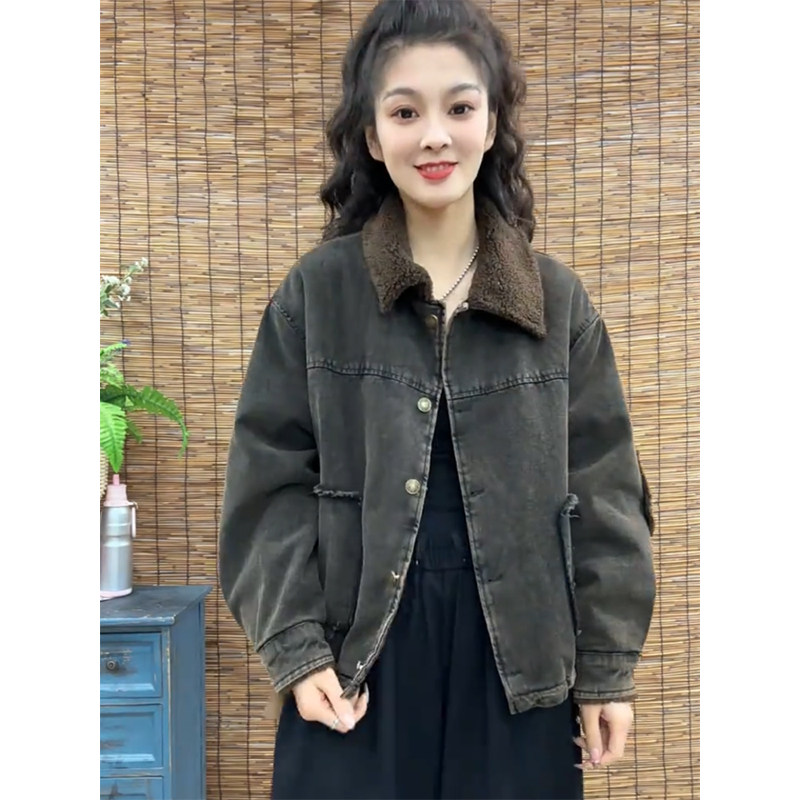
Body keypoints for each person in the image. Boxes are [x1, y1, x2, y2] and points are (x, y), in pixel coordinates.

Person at [219, 1, 656, 798]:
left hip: (519, 663)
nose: (434, 136)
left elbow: (607, 493)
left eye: (459, 108)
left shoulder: (558, 303)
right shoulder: (317, 295)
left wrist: (606, 669)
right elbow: (267, 484)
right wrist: (297, 649)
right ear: (370, 135)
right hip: (357, 655)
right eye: (404, 112)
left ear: (491, 126)